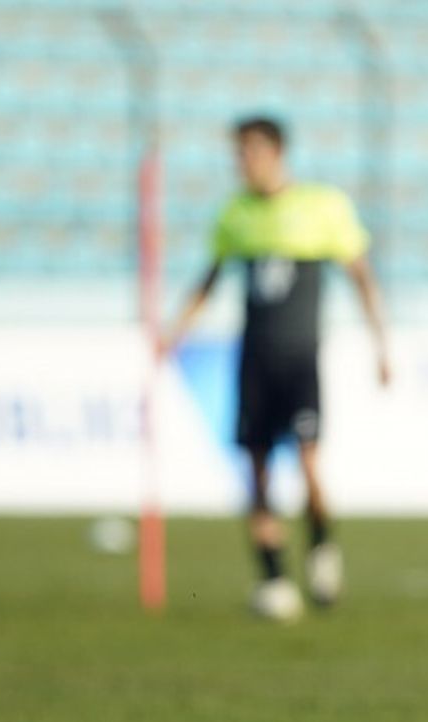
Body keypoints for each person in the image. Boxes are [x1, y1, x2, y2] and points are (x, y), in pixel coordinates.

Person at [160, 116, 391, 621]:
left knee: (309, 467)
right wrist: (175, 329)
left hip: (299, 359)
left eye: (250, 153)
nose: (243, 164)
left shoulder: (322, 207)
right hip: (253, 361)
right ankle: (274, 580)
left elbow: (361, 275)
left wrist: (380, 343)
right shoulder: (234, 215)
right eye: (238, 155)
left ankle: (322, 548)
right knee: (258, 473)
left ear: (277, 154)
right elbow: (210, 279)